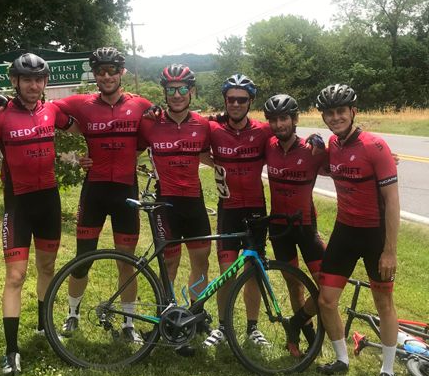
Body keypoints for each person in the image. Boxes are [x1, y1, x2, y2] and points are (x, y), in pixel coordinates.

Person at [0, 53, 77, 376]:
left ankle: (43, 327)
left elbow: (81, 126)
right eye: (27, 79)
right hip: (18, 204)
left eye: (38, 79)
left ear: (45, 82)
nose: (33, 85)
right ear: (15, 81)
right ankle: (11, 351)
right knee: (15, 277)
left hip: (49, 202)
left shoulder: (53, 111)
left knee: (47, 267)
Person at [52, 47, 152, 343]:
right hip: (94, 191)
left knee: (126, 262)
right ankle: (72, 315)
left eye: (112, 70)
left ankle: (129, 323)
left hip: (126, 191)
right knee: (83, 259)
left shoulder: (140, 105)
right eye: (100, 71)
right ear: (94, 74)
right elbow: (46, 108)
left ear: (122, 72)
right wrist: (72, 138)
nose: (106, 76)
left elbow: (163, 124)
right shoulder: (82, 103)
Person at [314, 84, 399, 376]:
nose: (335, 117)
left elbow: (392, 201)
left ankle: (388, 371)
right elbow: (327, 166)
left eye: (341, 111)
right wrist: (312, 146)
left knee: (383, 303)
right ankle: (342, 359)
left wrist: (390, 250)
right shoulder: (332, 144)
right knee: (326, 300)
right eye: (329, 113)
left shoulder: (375, 146)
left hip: (375, 235)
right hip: (345, 231)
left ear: (353, 112)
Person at [137, 64, 212, 355]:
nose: (177, 94)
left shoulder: (203, 125)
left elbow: (214, 153)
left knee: (201, 262)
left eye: (182, 89)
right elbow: (128, 147)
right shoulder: (150, 123)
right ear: (165, 92)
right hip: (165, 203)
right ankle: (164, 318)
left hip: (194, 201)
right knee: (169, 264)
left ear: (192, 91)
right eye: (171, 89)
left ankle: (195, 314)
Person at [202, 74, 273, 348]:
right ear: (225, 100)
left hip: (255, 210)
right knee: (226, 272)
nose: (235, 104)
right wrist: (214, 163)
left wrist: (314, 138)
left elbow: (289, 139)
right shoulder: (213, 129)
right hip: (228, 210)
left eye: (241, 100)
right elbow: (191, 134)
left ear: (250, 101)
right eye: (231, 99)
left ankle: (253, 328)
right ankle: (222, 326)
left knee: (253, 271)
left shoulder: (263, 130)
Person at [263, 94, 327, 356]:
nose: (279, 124)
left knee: (327, 286)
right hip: (279, 228)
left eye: (284, 118)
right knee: (294, 284)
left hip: (306, 227)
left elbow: (342, 161)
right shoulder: (268, 146)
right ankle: (305, 334)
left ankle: (296, 321)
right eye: (273, 120)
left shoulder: (312, 150)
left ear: (295, 119)